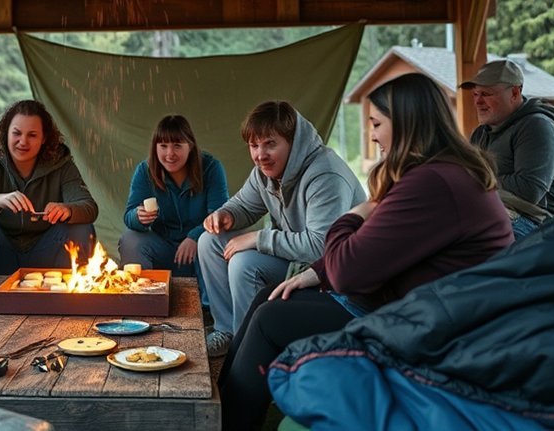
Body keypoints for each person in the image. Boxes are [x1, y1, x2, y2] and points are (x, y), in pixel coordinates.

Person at [218, 73, 514, 431]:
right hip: (416, 303)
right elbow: (372, 247)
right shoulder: (439, 171)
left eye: (376, 123)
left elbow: (348, 268)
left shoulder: (431, 182)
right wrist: (319, 270)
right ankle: (219, 407)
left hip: (433, 327)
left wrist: (360, 209)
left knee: (270, 320)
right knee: (271, 295)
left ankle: (230, 422)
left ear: (406, 122)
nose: (371, 134)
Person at [198, 101, 366, 358]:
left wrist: (258, 238)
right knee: (209, 241)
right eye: (254, 145)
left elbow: (321, 246)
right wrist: (226, 214)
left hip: (328, 273)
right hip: (293, 258)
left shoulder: (326, 175)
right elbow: (244, 204)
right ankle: (227, 331)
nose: (260, 155)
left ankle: (247, 349)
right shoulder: (264, 172)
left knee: (244, 263)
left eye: (270, 144)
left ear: (294, 142)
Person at [0, 99, 98, 287]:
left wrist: (68, 210)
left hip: (45, 252)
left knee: (80, 227)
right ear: (5, 133)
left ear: (44, 138)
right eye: (16, 133)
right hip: (2, 253)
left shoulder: (61, 164)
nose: (23, 141)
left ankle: (69, 299)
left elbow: (89, 207)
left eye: (32, 135)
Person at [120, 115, 228, 302]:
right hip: (164, 249)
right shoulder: (145, 171)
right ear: (155, 148)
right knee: (130, 238)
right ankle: (140, 303)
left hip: (201, 251)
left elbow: (219, 215)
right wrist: (138, 217)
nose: (170, 154)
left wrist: (195, 236)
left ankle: (210, 311)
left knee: (213, 238)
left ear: (190, 146)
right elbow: (128, 216)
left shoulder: (211, 168)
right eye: (163, 146)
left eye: (177, 145)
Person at [460, 58, 554, 238]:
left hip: (541, 228)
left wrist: (477, 180)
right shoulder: (480, 134)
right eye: (475, 94)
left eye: (486, 94)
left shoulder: (537, 127)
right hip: (500, 212)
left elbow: (529, 190)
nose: (478, 102)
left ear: (515, 93)